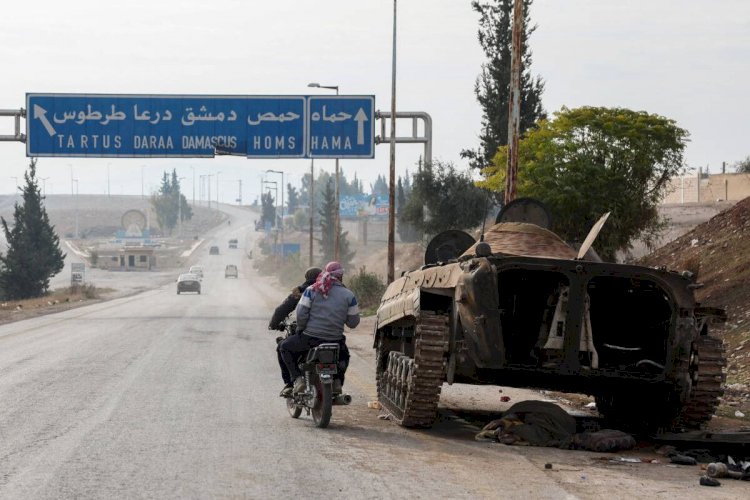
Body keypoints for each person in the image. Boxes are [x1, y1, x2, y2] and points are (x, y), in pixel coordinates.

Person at [279, 261, 359, 396]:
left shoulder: (311, 290)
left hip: (310, 338)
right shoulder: (349, 295)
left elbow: (301, 315)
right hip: (336, 340)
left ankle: (297, 380)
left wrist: (301, 329)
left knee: (284, 347)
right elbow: (353, 322)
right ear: (341, 276)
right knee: (344, 356)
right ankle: (337, 382)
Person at [269, 267, 322, 394]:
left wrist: (274, 324)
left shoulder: (302, 291)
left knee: (283, 346)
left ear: (306, 278)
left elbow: (282, 310)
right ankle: (336, 382)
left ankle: (293, 381)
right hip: (330, 335)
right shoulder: (330, 290)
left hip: (308, 335)